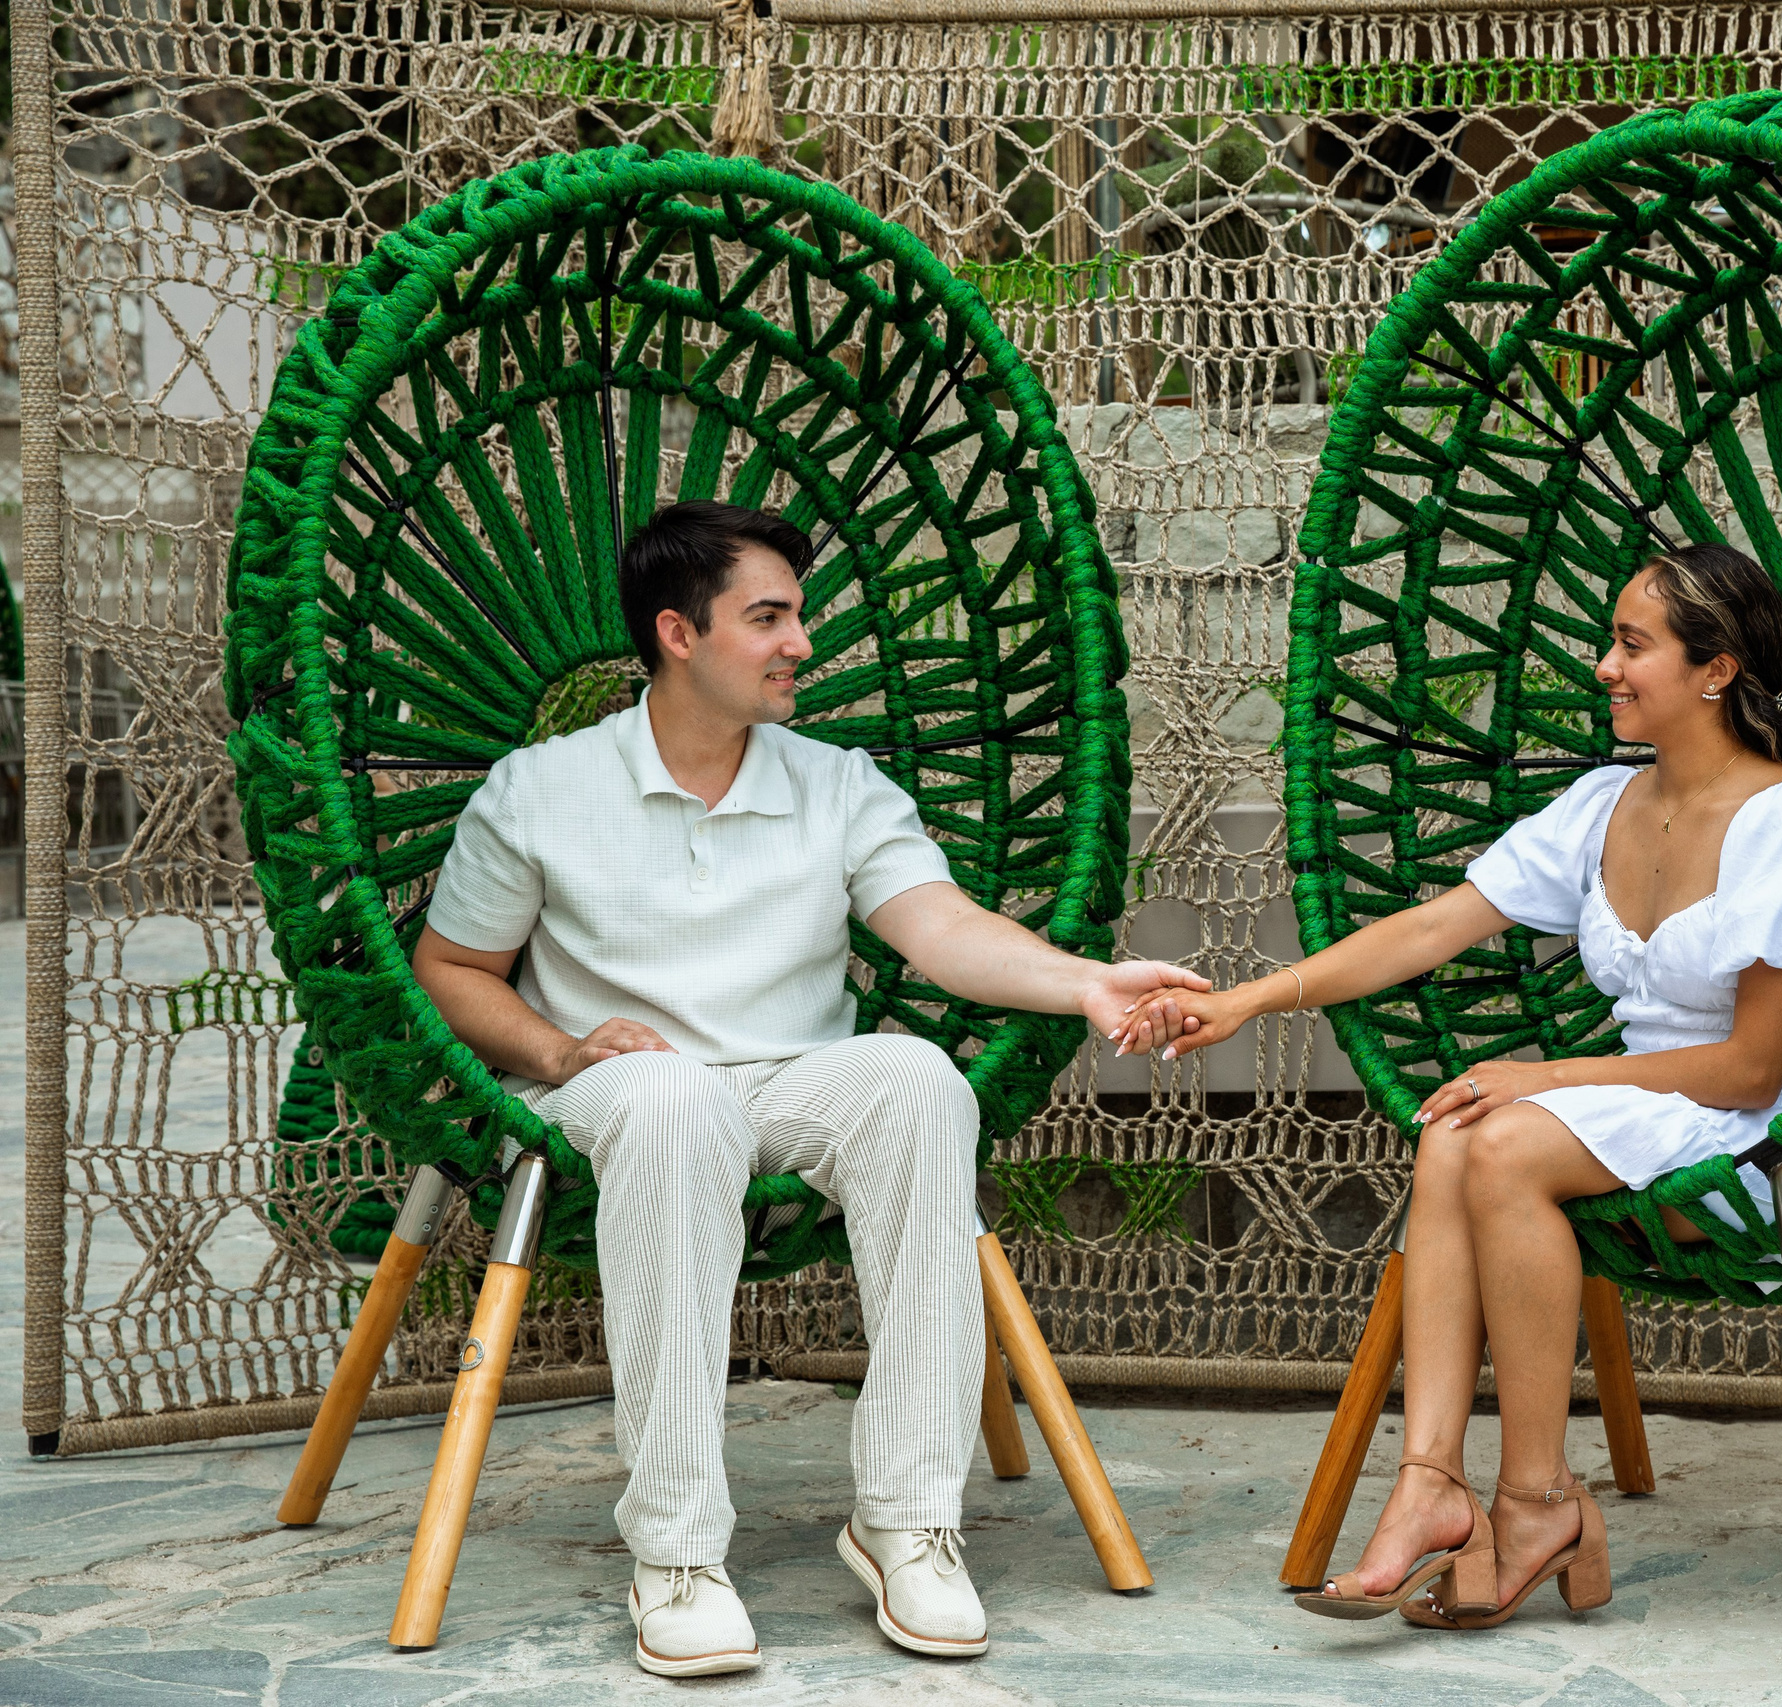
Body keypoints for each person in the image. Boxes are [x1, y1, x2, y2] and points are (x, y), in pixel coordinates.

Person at [411, 500, 1201, 1676]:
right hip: (621, 1091)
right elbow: (452, 968)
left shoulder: (837, 783)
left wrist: (1086, 984)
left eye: (799, 616)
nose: (800, 644)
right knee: (673, 1101)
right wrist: (559, 1054)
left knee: (919, 1080)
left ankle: (906, 1519)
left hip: (787, 1076)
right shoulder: (537, 790)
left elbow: (936, 927)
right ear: (679, 633)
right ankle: (676, 1550)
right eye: (767, 617)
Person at [1148, 542, 1782, 1629]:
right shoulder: (1604, 806)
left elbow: (1752, 1068)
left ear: (1716, 670)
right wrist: (1248, 1001)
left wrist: (1548, 1074)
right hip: (1650, 1109)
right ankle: (1434, 1485)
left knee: (1496, 1131)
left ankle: (1533, 1500)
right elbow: (1433, 927)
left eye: (1632, 645)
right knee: (1454, 1128)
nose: (1604, 665)